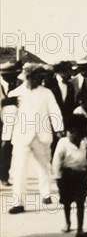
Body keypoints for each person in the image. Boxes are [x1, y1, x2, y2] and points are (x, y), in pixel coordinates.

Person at [8, 64, 64, 214]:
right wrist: (6, 136)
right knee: (19, 170)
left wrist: (59, 128)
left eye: (42, 77)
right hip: (22, 136)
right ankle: (18, 203)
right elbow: (8, 116)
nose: (40, 80)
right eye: (37, 77)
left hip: (42, 135)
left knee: (44, 166)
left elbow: (55, 111)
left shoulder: (47, 93)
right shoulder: (15, 93)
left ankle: (46, 194)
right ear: (28, 77)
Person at [52, 114, 87, 237]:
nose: (81, 137)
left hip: (80, 176)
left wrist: (86, 169)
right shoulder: (63, 143)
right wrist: (58, 179)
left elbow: (85, 159)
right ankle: (67, 223)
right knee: (67, 202)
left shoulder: (83, 143)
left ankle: (80, 229)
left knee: (80, 202)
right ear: (72, 131)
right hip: (66, 177)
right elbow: (56, 162)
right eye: (79, 134)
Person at [0, 61, 23, 187]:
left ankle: (4, 176)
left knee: (6, 148)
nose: (14, 78)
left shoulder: (20, 83)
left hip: (13, 120)